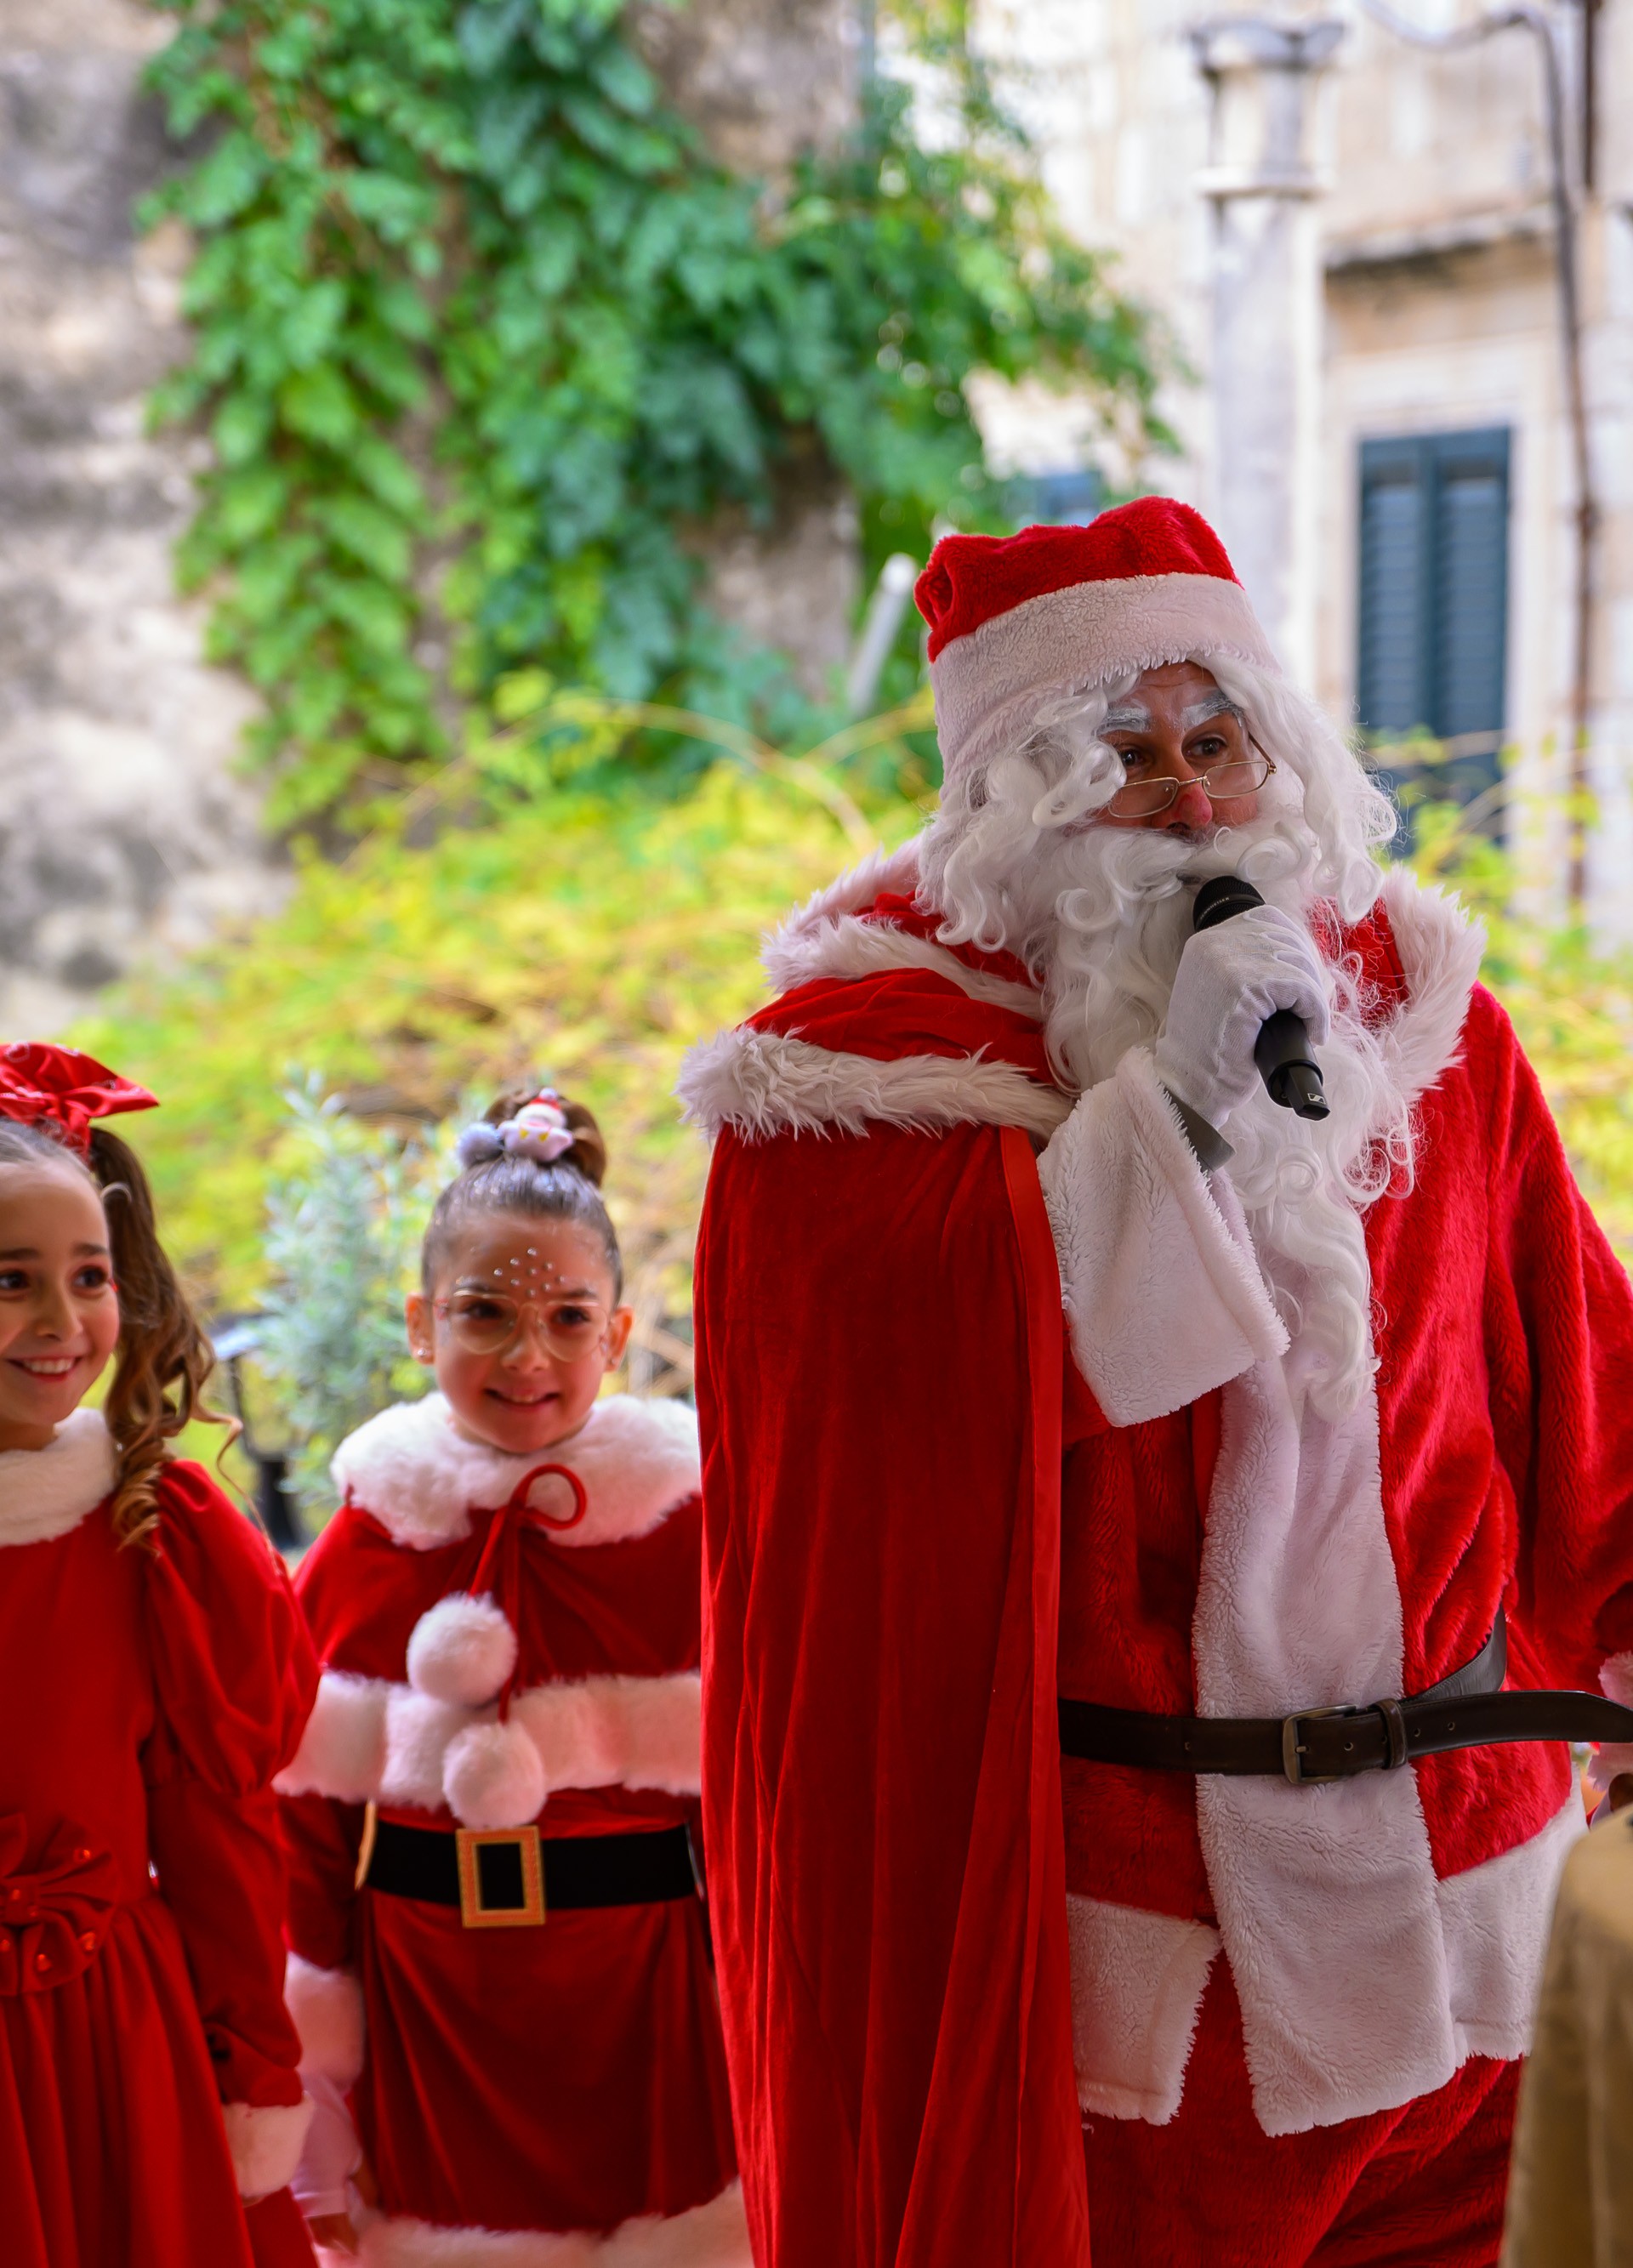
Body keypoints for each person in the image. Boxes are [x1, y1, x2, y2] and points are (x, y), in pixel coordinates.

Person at [680, 498, 1633, 2268]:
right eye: (1125, 754)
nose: (1197, 797)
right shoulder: (869, 1083)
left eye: (1221, 739)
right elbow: (949, 1416)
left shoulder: (1423, 1022)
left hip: (1474, 1916)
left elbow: (1581, 1373)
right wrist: (1173, 1127)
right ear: (1011, 797)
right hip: (1156, 1984)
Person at [276, 1087, 746, 2265]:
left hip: (654, 1998)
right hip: (435, 2007)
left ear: (621, 1336)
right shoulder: (363, 1547)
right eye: (484, 1314)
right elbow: (304, 1834)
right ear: (421, 1326)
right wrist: (315, 2089)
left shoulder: (696, 1533)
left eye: (569, 1319)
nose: (528, 1355)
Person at [0, 1042, 320, 2268]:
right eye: (12, 1279)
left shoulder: (158, 1536)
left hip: (121, 2048)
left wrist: (256, 2067)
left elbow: (221, 1836)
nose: (61, 1322)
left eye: (87, 1277)